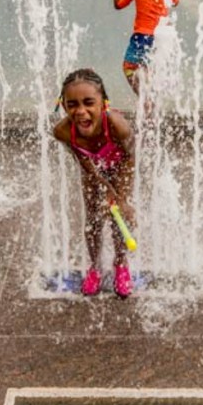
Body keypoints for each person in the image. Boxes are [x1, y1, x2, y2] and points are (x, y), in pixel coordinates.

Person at [52, 69, 136, 298]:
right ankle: (96, 266)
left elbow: (130, 158)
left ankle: (121, 263)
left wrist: (121, 196)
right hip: (93, 167)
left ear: (103, 103)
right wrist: (100, 182)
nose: (80, 111)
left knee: (118, 216)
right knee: (93, 219)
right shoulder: (62, 131)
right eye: (72, 104)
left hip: (120, 165)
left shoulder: (118, 126)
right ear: (64, 105)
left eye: (89, 102)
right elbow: (81, 157)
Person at [112, 0, 179, 96]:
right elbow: (175, 2)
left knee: (129, 67)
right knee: (150, 70)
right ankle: (151, 103)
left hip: (142, 36)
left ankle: (144, 99)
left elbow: (118, 4)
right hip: (161, 38)